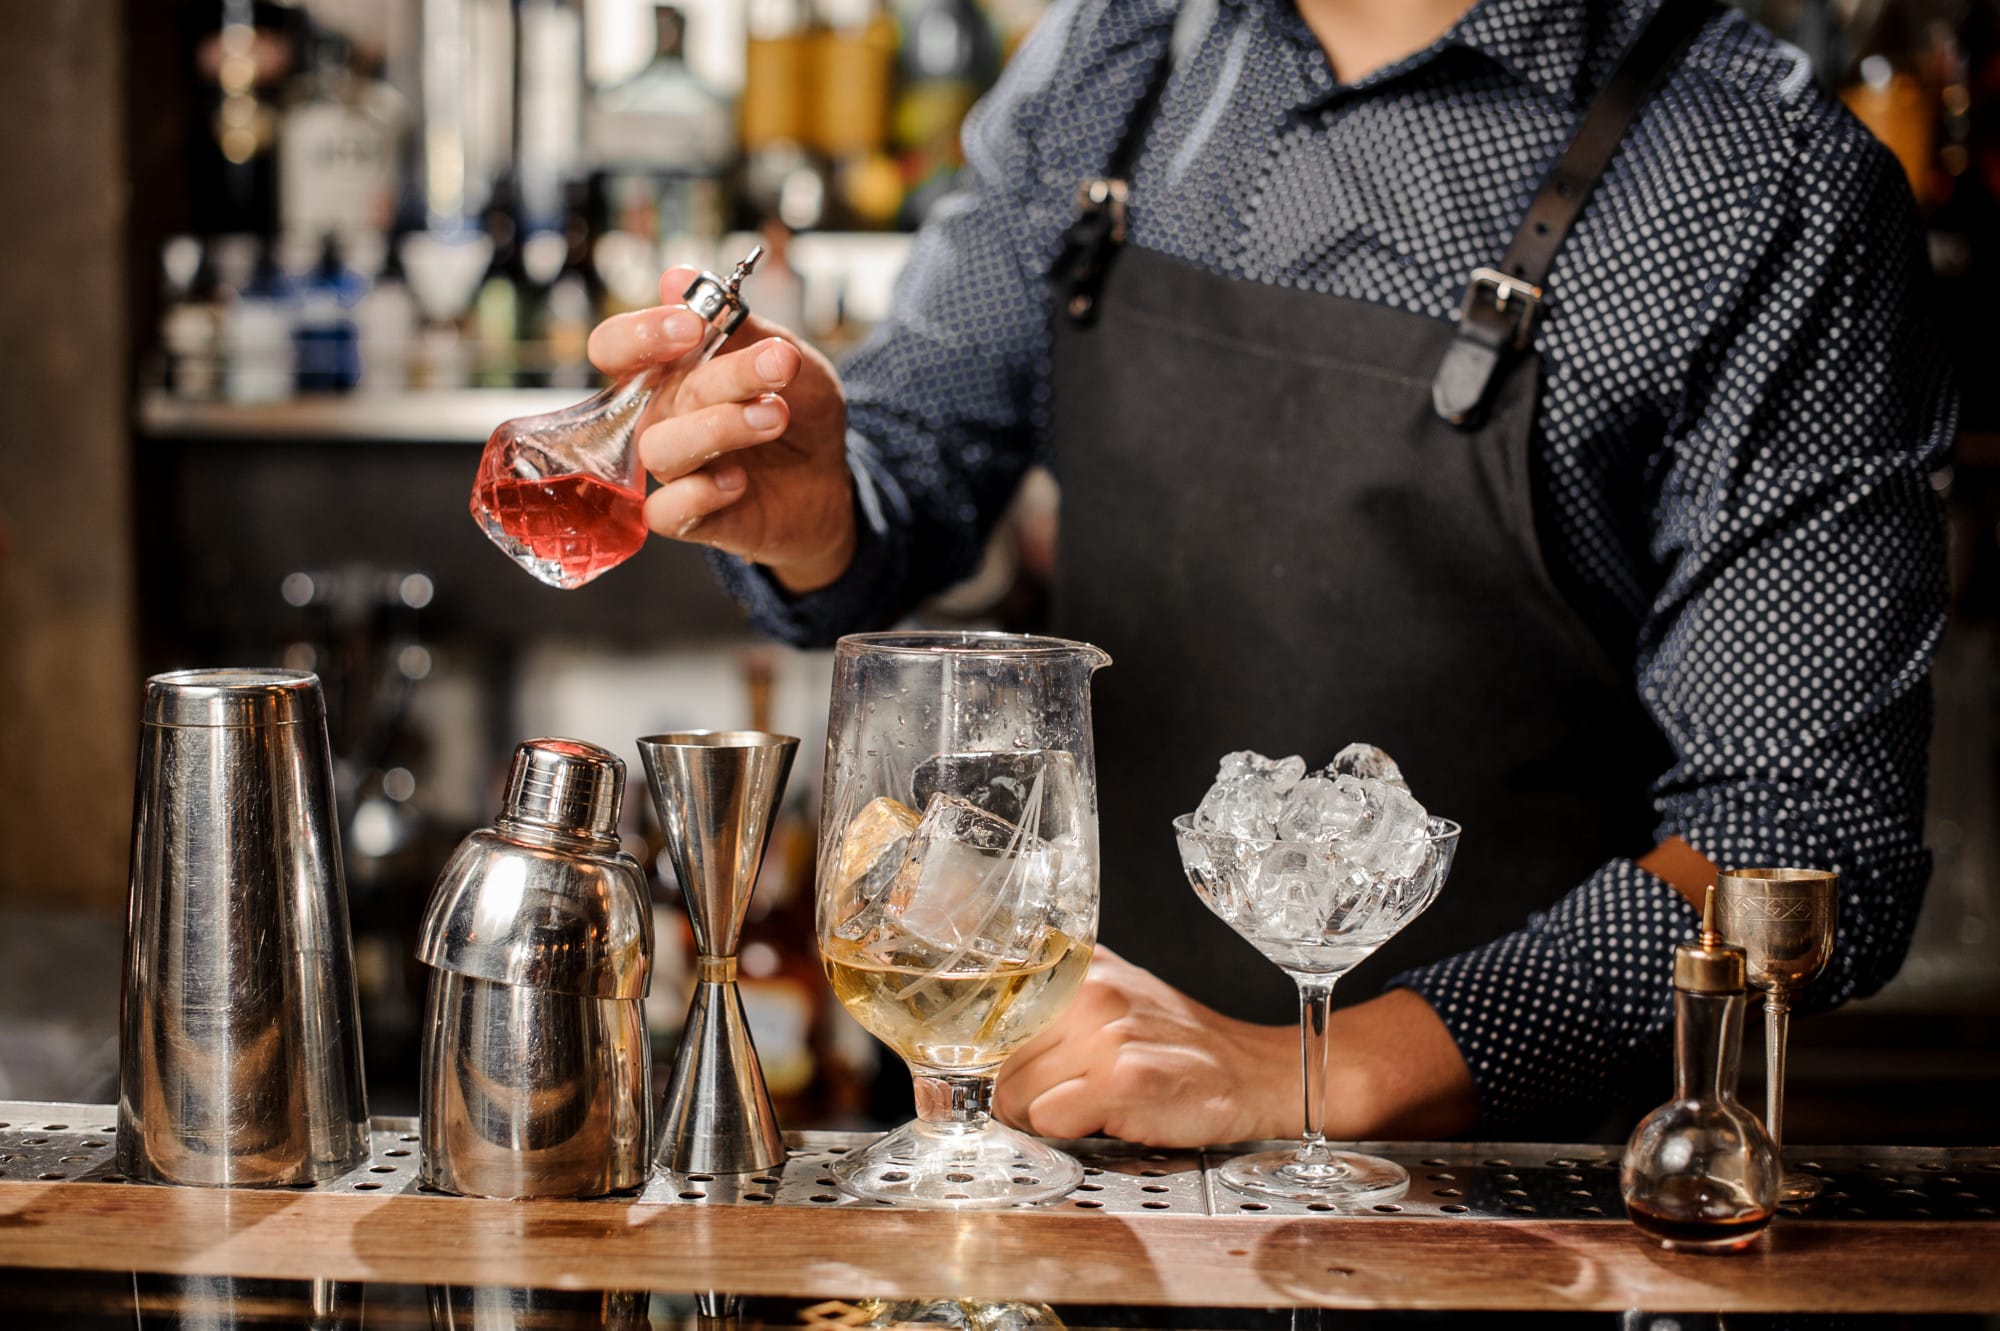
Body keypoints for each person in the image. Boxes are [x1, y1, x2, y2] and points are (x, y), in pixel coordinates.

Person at [585, 0, 1956, 1144]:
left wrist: (1311, 1071)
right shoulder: (1127, 55)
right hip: (1066, 1147)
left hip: (1511, 1210)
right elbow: (913, 466)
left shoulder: (1756, 179)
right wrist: (821, 510)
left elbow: (1801, 837)